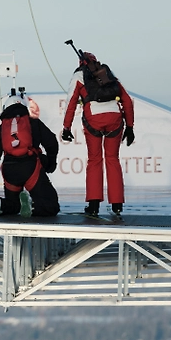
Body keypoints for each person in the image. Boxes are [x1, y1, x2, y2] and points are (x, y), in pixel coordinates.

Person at [61, 51, 135, 216]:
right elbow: (127, 101)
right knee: (113, 159)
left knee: (95, 160)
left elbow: (71, 102)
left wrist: (66, 128)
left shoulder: (79, 76)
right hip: (115, 118)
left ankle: (93, 205)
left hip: (93, 119)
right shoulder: (107, 73)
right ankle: (117, 205)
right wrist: (130, 127)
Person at [0, 91, 61, 218]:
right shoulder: (34, 123)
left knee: (14, 205)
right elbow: (51, 142)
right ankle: (32, 206)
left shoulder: (0, 130)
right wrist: (51, 162)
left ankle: (0, 204)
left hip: (10, 170)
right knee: (51, 206)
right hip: (30, 168)